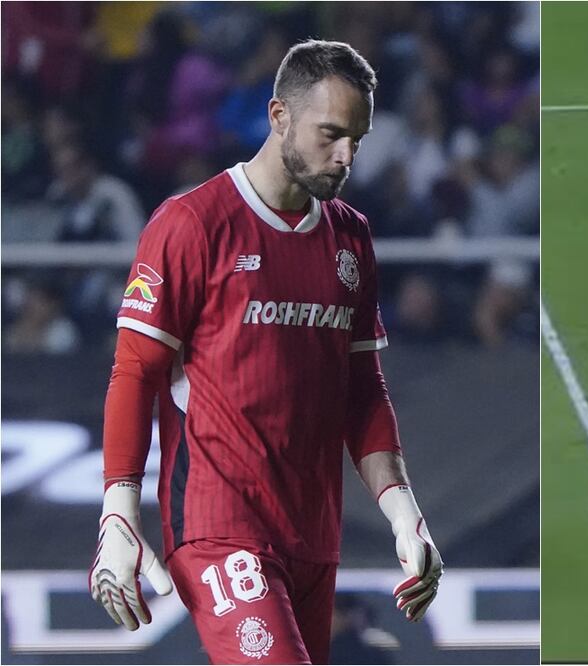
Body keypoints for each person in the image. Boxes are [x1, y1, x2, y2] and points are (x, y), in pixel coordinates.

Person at [88, 40, 443, 665]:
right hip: (217, 523)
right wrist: (118, 514)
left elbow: (361, 390)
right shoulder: (192, 225)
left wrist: (404, 515)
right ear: (278, 116)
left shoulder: (350, 238)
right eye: (330, 134)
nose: (345, 157)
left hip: (313, 533)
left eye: (356, 140)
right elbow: (135, 371)